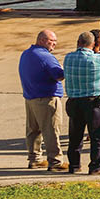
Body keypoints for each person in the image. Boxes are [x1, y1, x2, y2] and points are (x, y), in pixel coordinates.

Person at [62, 30, 100, 174]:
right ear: (93, 44)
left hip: (74, 101)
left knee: (75, 136)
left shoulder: (69, 58)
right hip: (94, 101)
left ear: (78, 43)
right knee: (98, 136)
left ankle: (74, 165)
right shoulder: (97, 59)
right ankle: (96, 166)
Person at [19, 29, 66, 171]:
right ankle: (55, 161)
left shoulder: (26, 54)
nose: (54, 44)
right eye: (52, 41)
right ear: (42, 40)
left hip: (30, 97)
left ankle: (34, 159)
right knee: (51, 130)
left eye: (55, 41)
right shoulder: (46, 57)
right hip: (46, 98)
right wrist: (66, 69)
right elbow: (58, 75)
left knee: (33, 130)